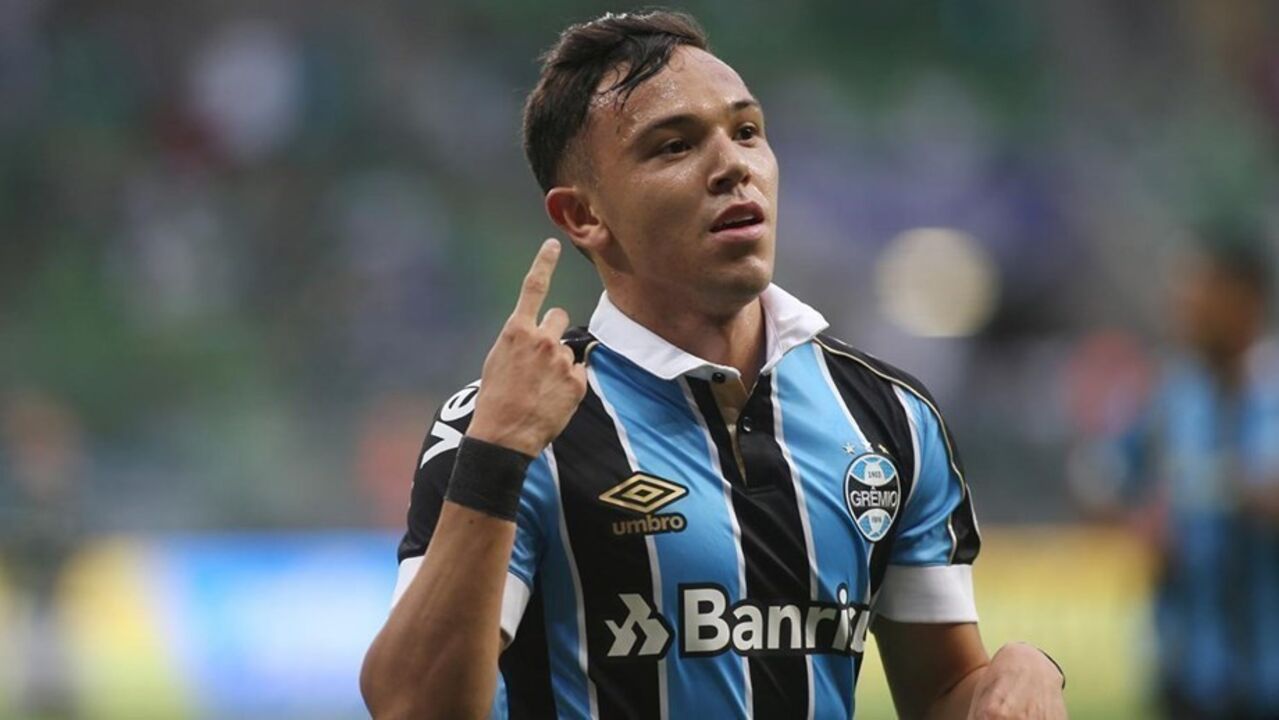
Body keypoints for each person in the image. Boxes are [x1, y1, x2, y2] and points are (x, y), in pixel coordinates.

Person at [361, 11, 1066, 719]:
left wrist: (1023, 672)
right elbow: (411, 708)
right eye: (674, 145)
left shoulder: (891, 418)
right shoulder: (506, 425)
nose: (734, 165)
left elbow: (940, 692)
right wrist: (495, 456)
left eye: (747, 131)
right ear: (583, 217)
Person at [1091, 235, 1279, 719]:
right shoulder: (1166, 396)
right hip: (1187, 675)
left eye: (1200, 291)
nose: (1183, 306)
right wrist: (1137, 518)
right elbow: (1097, 478)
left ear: (1245, 299)